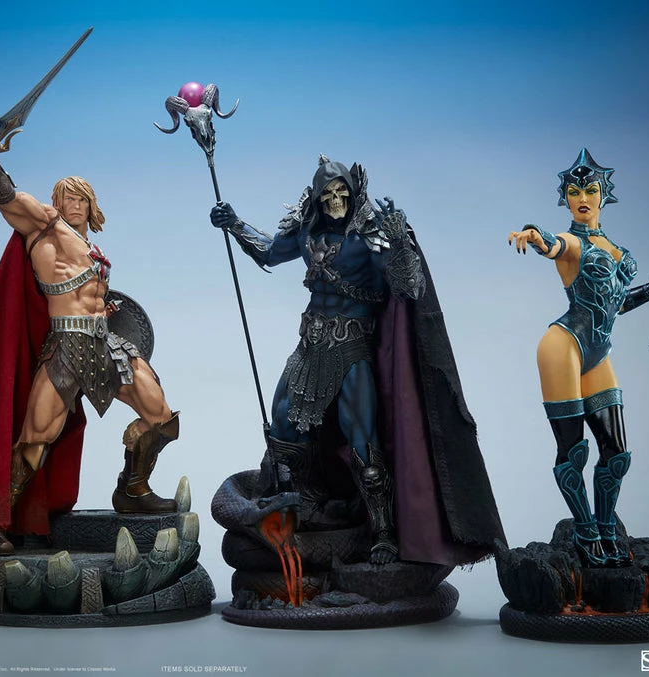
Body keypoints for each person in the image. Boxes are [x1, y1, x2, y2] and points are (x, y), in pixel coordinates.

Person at [211, 155, 504, 566]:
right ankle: (304, 503)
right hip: (310, 345)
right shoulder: (307, 231)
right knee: (283, 427)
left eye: (341, 192)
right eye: (327, 193)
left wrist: (399, 243)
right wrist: (235, 223)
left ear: (352, 193)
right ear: (317, 197)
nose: (335, 200)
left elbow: (407, 285)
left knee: (362, 439)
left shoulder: (368, 235)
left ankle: (383, 532)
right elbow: (270, 251)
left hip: (352, 348)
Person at [0, 149, 181, 556]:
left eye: (80, 199)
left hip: (105, 343)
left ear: (91, 205)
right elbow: (9, 201)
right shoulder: (45, 227)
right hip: (66, 350)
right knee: (35, 439)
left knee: (162, 418)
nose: (72, 205)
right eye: (66, 198)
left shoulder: (90, 246)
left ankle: (132, 489)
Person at [508, 148, 649, 567]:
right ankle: (586, 532)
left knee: (616, 454)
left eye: (590, 189)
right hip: (564, 345)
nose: (583, 197)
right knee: (574, 452)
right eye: (574, 192)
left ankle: (607, 529)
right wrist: (533, 234)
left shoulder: (617, 251)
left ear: (604, 196)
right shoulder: (573, 243)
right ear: (566, 199)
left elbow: (617, 304)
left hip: (598, 353)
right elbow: (554, 244)